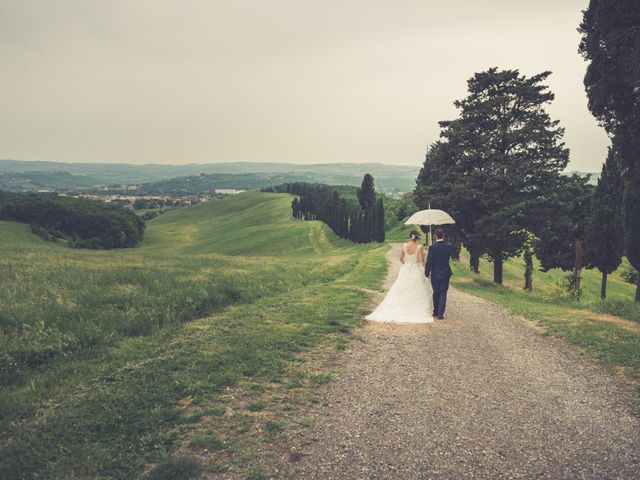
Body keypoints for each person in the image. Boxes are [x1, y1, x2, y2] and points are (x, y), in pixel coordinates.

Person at [366, 230, 434, 324]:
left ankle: (400, 306)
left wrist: (406, 265)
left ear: (410, 236)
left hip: (406, 269)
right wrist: (427, 271)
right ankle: (413, 308)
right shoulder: (419, 247)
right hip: (416, 269)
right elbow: (421, 260)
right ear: (417, 237)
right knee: (417, 288)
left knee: (402, 288)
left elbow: (401, 258)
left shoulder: (404, 246)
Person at [424, 227, 453, 320]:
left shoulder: (433, 247)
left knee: (436, 292)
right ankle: (440, 314)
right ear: (443, 235)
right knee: (443, 292)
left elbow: (429, 261)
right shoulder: (449, 246)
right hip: (445, 272)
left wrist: (427, 272)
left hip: (435, 273)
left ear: (435, 236)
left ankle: (436, 311)